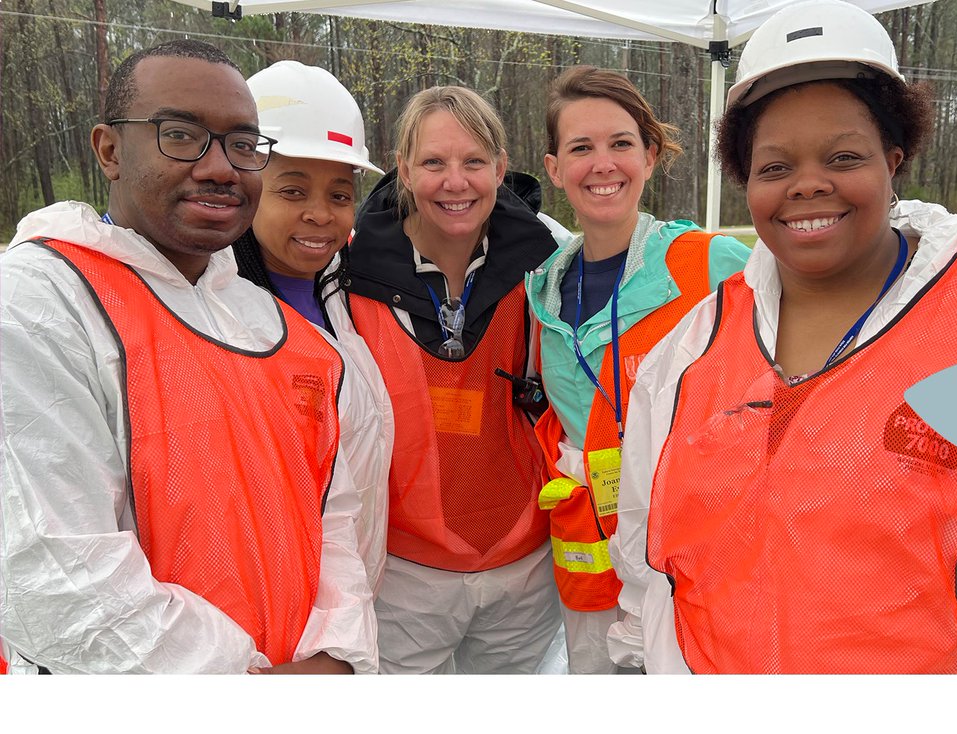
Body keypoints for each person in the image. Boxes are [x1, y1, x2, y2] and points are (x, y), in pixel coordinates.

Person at [608, 0, 957, 674]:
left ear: (893, 159)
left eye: (843, 156)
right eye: (775, 167)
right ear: (746, 182)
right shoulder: (693, 347)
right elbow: (647, 546)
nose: (808, 185)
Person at [0, 40, 378, 674]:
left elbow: (335, 525)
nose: (220, 167)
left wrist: (337, 657)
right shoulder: (40, 304)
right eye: (181, 135)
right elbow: (51, 568)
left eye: (241, 144)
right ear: (110, 150)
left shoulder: (281, 331)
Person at [526, 66, 750, 674]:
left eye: (621, 143)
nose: (603, 164)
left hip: (694, 556)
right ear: (554, 169)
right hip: (592, 564)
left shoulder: (709, 263)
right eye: (581, 148)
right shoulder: (543, 288)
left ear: (650, 156)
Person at [345, 85, 561, 674]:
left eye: (472, 162)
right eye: (434, 162)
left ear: (499, 166)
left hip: (523, 565)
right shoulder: (346, 272)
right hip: (403, 573)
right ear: (404, 169)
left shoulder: (551, 264)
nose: (455, 182)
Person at [232, 59, 393, 593]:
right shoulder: (215, 314)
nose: (321, 214)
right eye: (293, 191)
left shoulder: (346, 290)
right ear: (248, 185)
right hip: (275, 601)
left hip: (350, 593)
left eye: (340, 194)